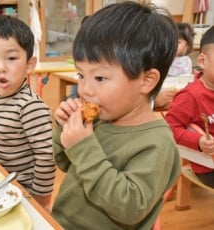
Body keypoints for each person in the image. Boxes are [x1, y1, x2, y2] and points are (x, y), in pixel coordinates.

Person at [51, 2, 181, 229]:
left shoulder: (157, 143)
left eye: (99, 78)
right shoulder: (98, 118)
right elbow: (64, 163)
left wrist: (82, 146)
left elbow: (130, 209)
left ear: (146, 80)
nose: (85, 90)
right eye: (81, 75)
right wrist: (64, 129)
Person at [0, 15, 56, 210]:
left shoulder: (30, 107)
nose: (1, 67)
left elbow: (46, 156)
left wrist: (41, 199)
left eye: (11, 58)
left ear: (29, 64)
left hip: (22, 192)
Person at [165, 26, 214, 188]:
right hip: (207, 166)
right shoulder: (191, 96)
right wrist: (198, 141)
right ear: (202, 61)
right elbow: (169, 128)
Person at [154, 22, 196, 111]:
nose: (173, 45)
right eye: (170, 42)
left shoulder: (186, 61)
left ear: (187, 45)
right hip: (164, 91)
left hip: (178, 92)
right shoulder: (165, 57)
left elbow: (186, 80)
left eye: (178, 42)